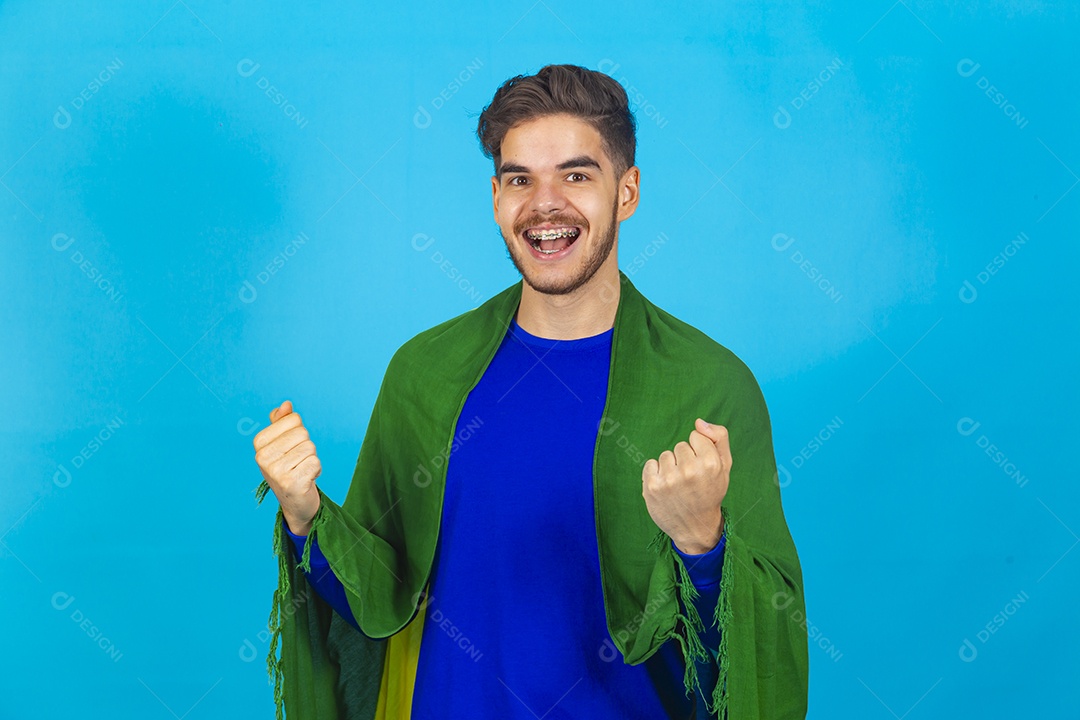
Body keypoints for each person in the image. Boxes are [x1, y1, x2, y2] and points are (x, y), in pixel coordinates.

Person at [253, 63, 808, 720]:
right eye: (521, 179)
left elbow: (761, 655)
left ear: (627, 192)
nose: (545, 204)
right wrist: (306, 514)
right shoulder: (424, 372)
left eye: (576, 175)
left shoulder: (709, 387)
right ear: (496, 197)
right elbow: (378, 598)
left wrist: (702, 544)